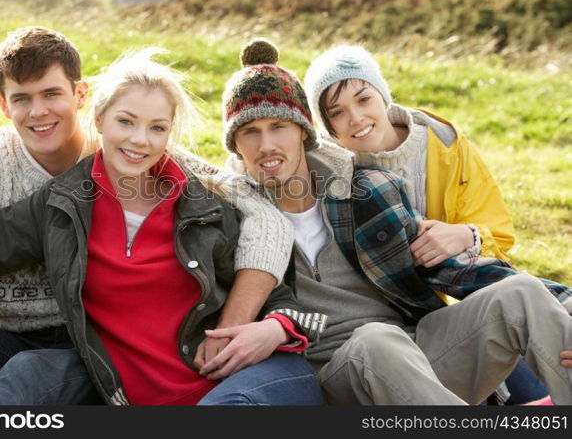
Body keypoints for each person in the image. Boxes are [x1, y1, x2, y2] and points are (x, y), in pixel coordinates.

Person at [0, 27, 299, 405]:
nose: (39, 112)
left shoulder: (164, 170)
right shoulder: (9, 181)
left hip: (87, 351)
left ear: (80, 96)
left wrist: (243, 324)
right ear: (4, 104)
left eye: (51, 94)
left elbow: (257, 208)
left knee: (35, 375)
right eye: (22, 98)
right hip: (2, 339)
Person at [208, 37, 572, 405]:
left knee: (520, 293)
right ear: (234, 146)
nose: (266, 145)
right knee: (376, 341)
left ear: (304, 131)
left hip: (422, 354)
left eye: (278, 127)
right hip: (341, 374)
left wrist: (565, 301)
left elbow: (452, 270)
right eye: (249, 132)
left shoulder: (366, 192)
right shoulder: (235, 221)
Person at [303, 44, 547, 403]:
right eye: (337, 112)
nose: (356, 118)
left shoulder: (443, 144)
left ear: (382, 96)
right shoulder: (325, 170)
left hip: (453, 302)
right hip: (382, 328)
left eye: (364, 99)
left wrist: (467, 235)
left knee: (534, 358)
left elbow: (498, 234)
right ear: (325, 126)